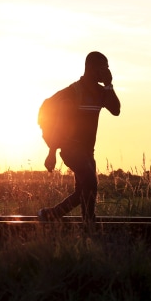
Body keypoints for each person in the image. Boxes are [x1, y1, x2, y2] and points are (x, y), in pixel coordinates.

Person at [38, 51, 121, 227]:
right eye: (103, 67)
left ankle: (51, 215)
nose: (106, 70)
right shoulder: (74, 92)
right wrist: (51, 152)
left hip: (88, 151)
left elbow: (116, 110)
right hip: (71, 149)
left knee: (82, 191)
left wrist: (109, 85)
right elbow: (60, 123)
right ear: (91, 67)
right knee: (90, 182)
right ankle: (88, 224)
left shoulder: (101, 92)